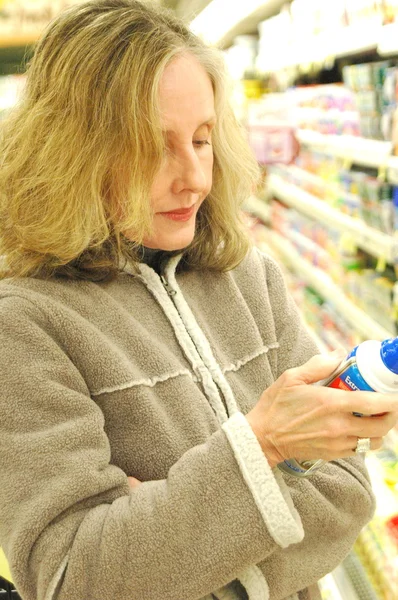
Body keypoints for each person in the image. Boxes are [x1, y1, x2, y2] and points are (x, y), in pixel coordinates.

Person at [0, 2, 397, 599]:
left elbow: (346, 496)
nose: (195, 177)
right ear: (73, 151)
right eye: (156, 147)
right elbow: (72, 578)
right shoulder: (25, 323)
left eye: (203, 139)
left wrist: (178, 549)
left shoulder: (247, 275)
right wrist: (268, 450)